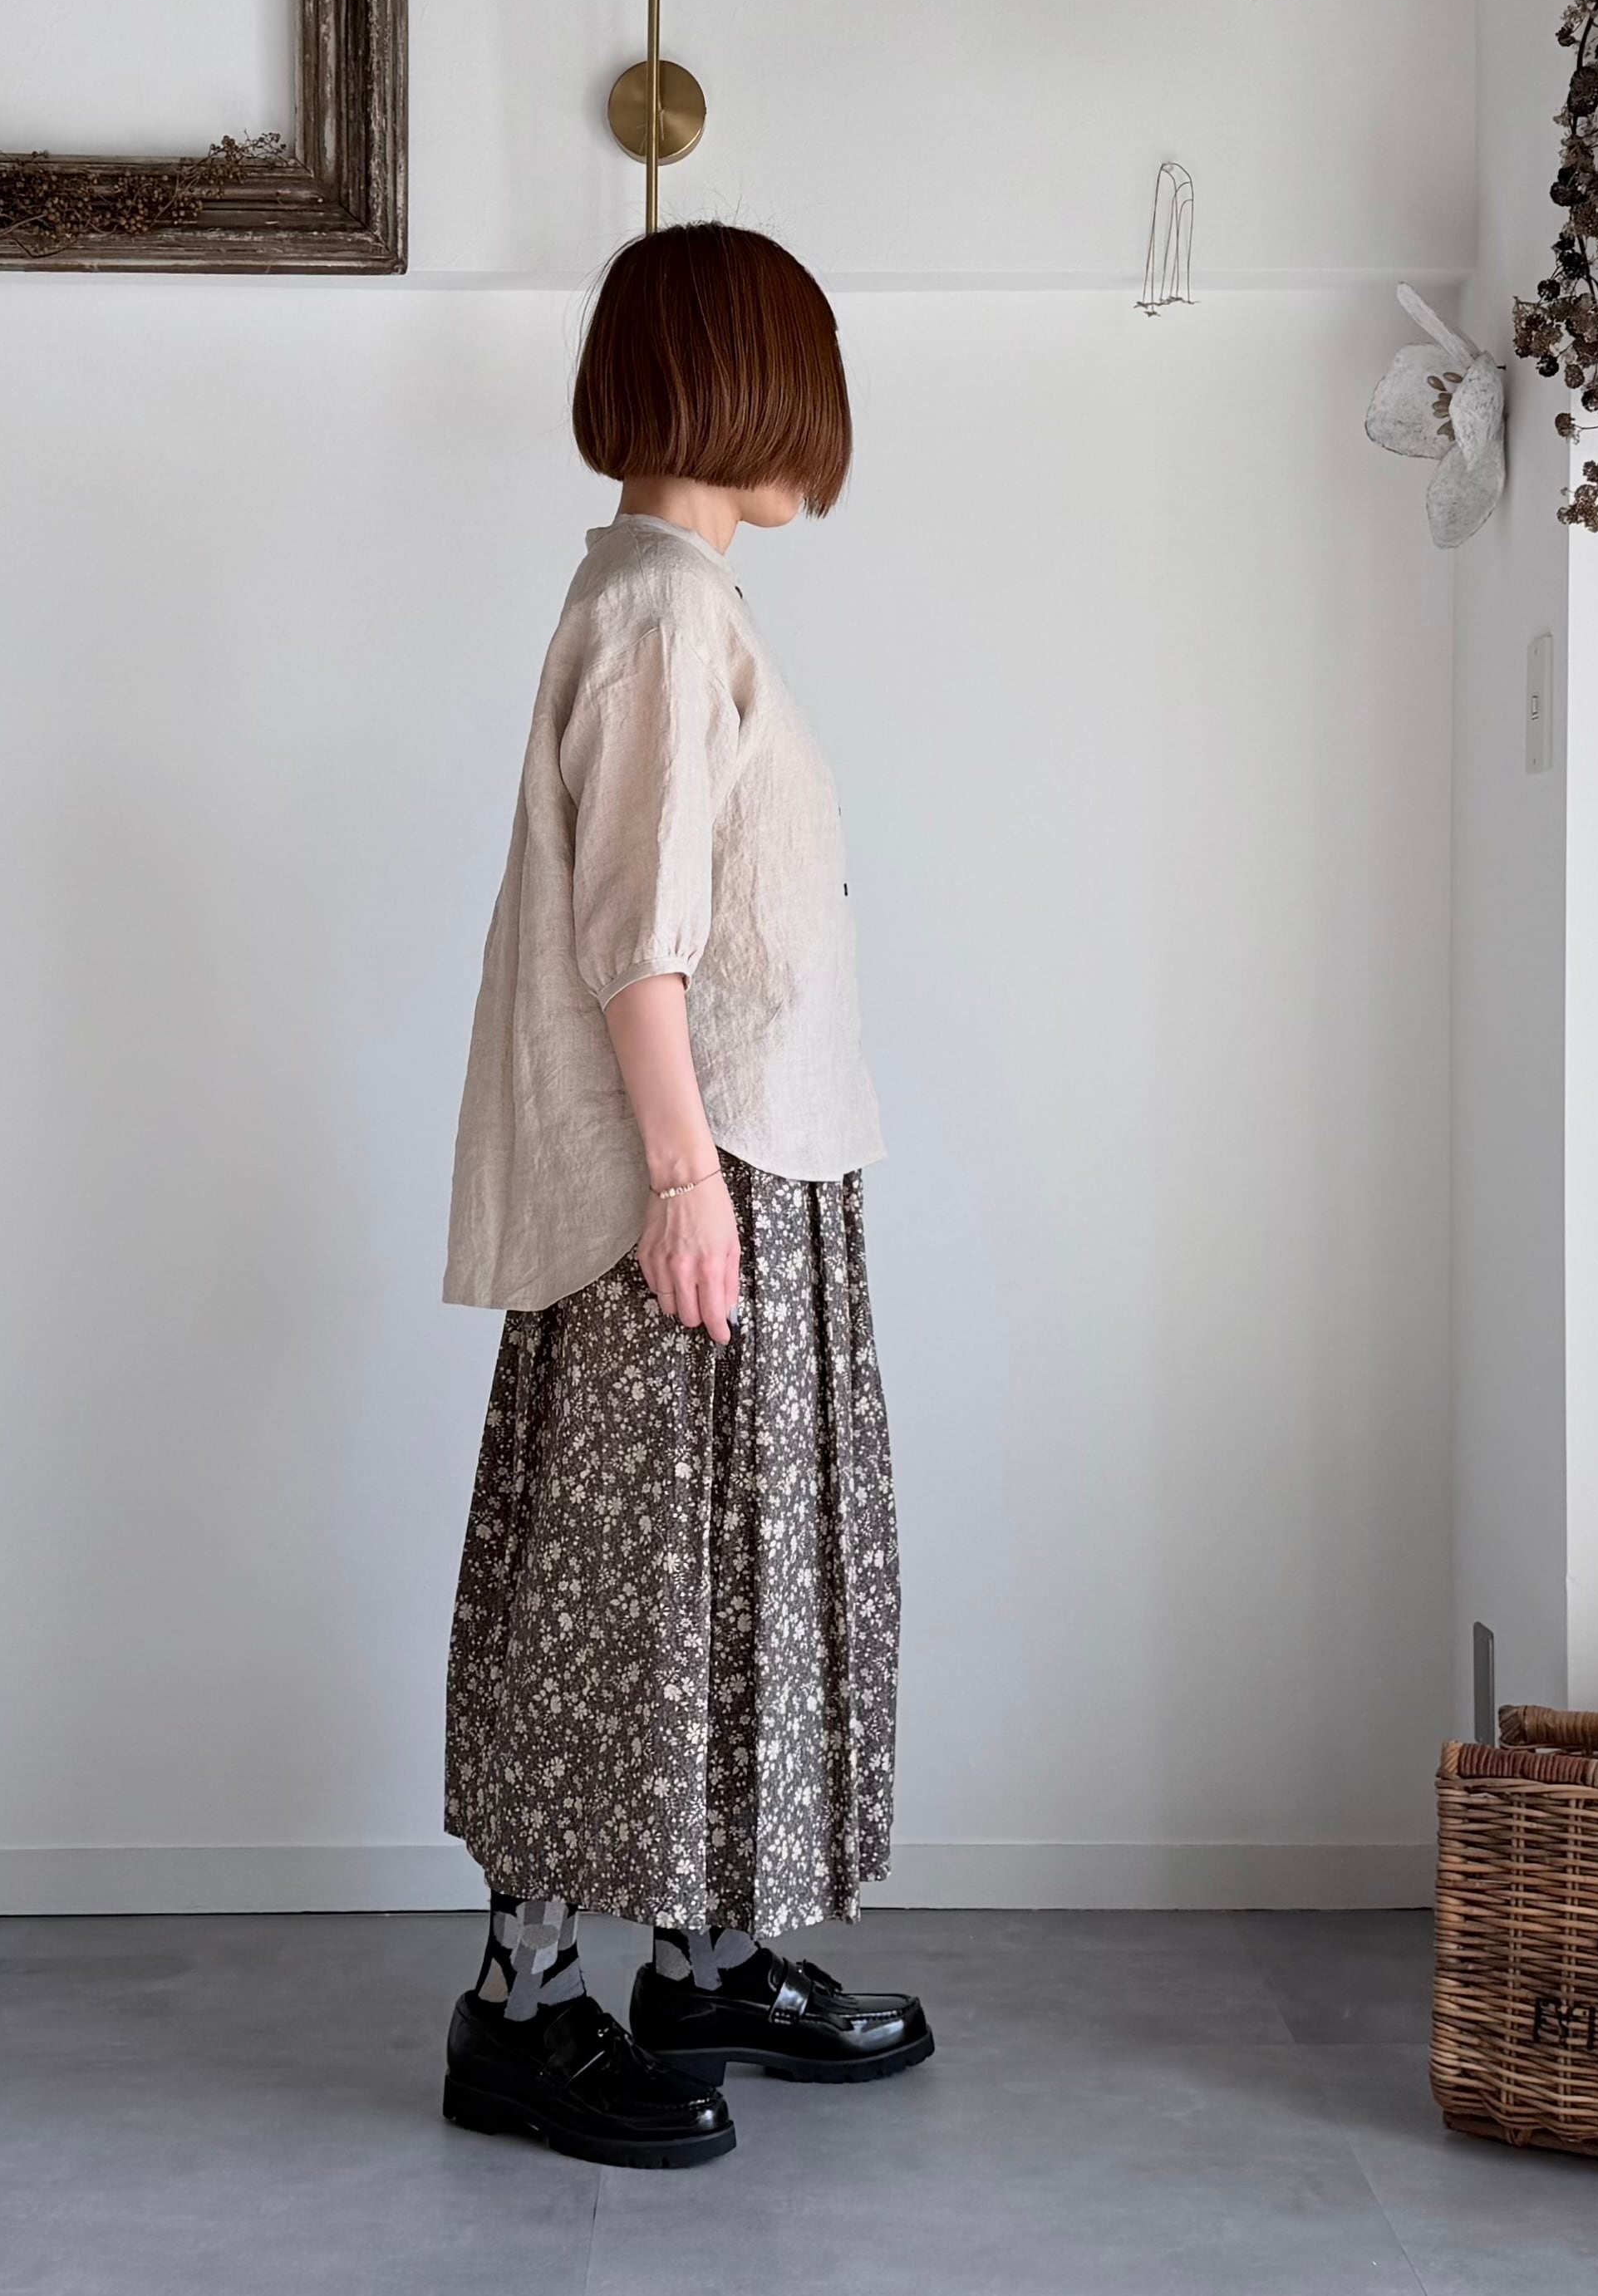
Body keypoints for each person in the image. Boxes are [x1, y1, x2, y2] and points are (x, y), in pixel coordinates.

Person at [437, 222, 929, 2170]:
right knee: (623, 1597)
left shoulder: (680, 599)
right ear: (739, 383)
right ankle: (520, 2011)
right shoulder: (657, 611)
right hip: (697, 1181)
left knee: (710, 1590)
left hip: (751, 1166)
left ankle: (697, 1959)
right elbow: (630, 938)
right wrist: (680, 1179)